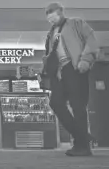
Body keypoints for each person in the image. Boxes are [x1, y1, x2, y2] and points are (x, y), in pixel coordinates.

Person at [43, 2, 99, 156]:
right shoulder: (51, 33)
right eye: (49, 19)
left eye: (53, 16)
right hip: (59, 73)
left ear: (61, 12)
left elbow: (91, 41)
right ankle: (83, 136)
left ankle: (82, 146)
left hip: (75, 68)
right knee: (55, 103)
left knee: (78, 107)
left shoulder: (76, 23)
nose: (51, 20)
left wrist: (85, 60)